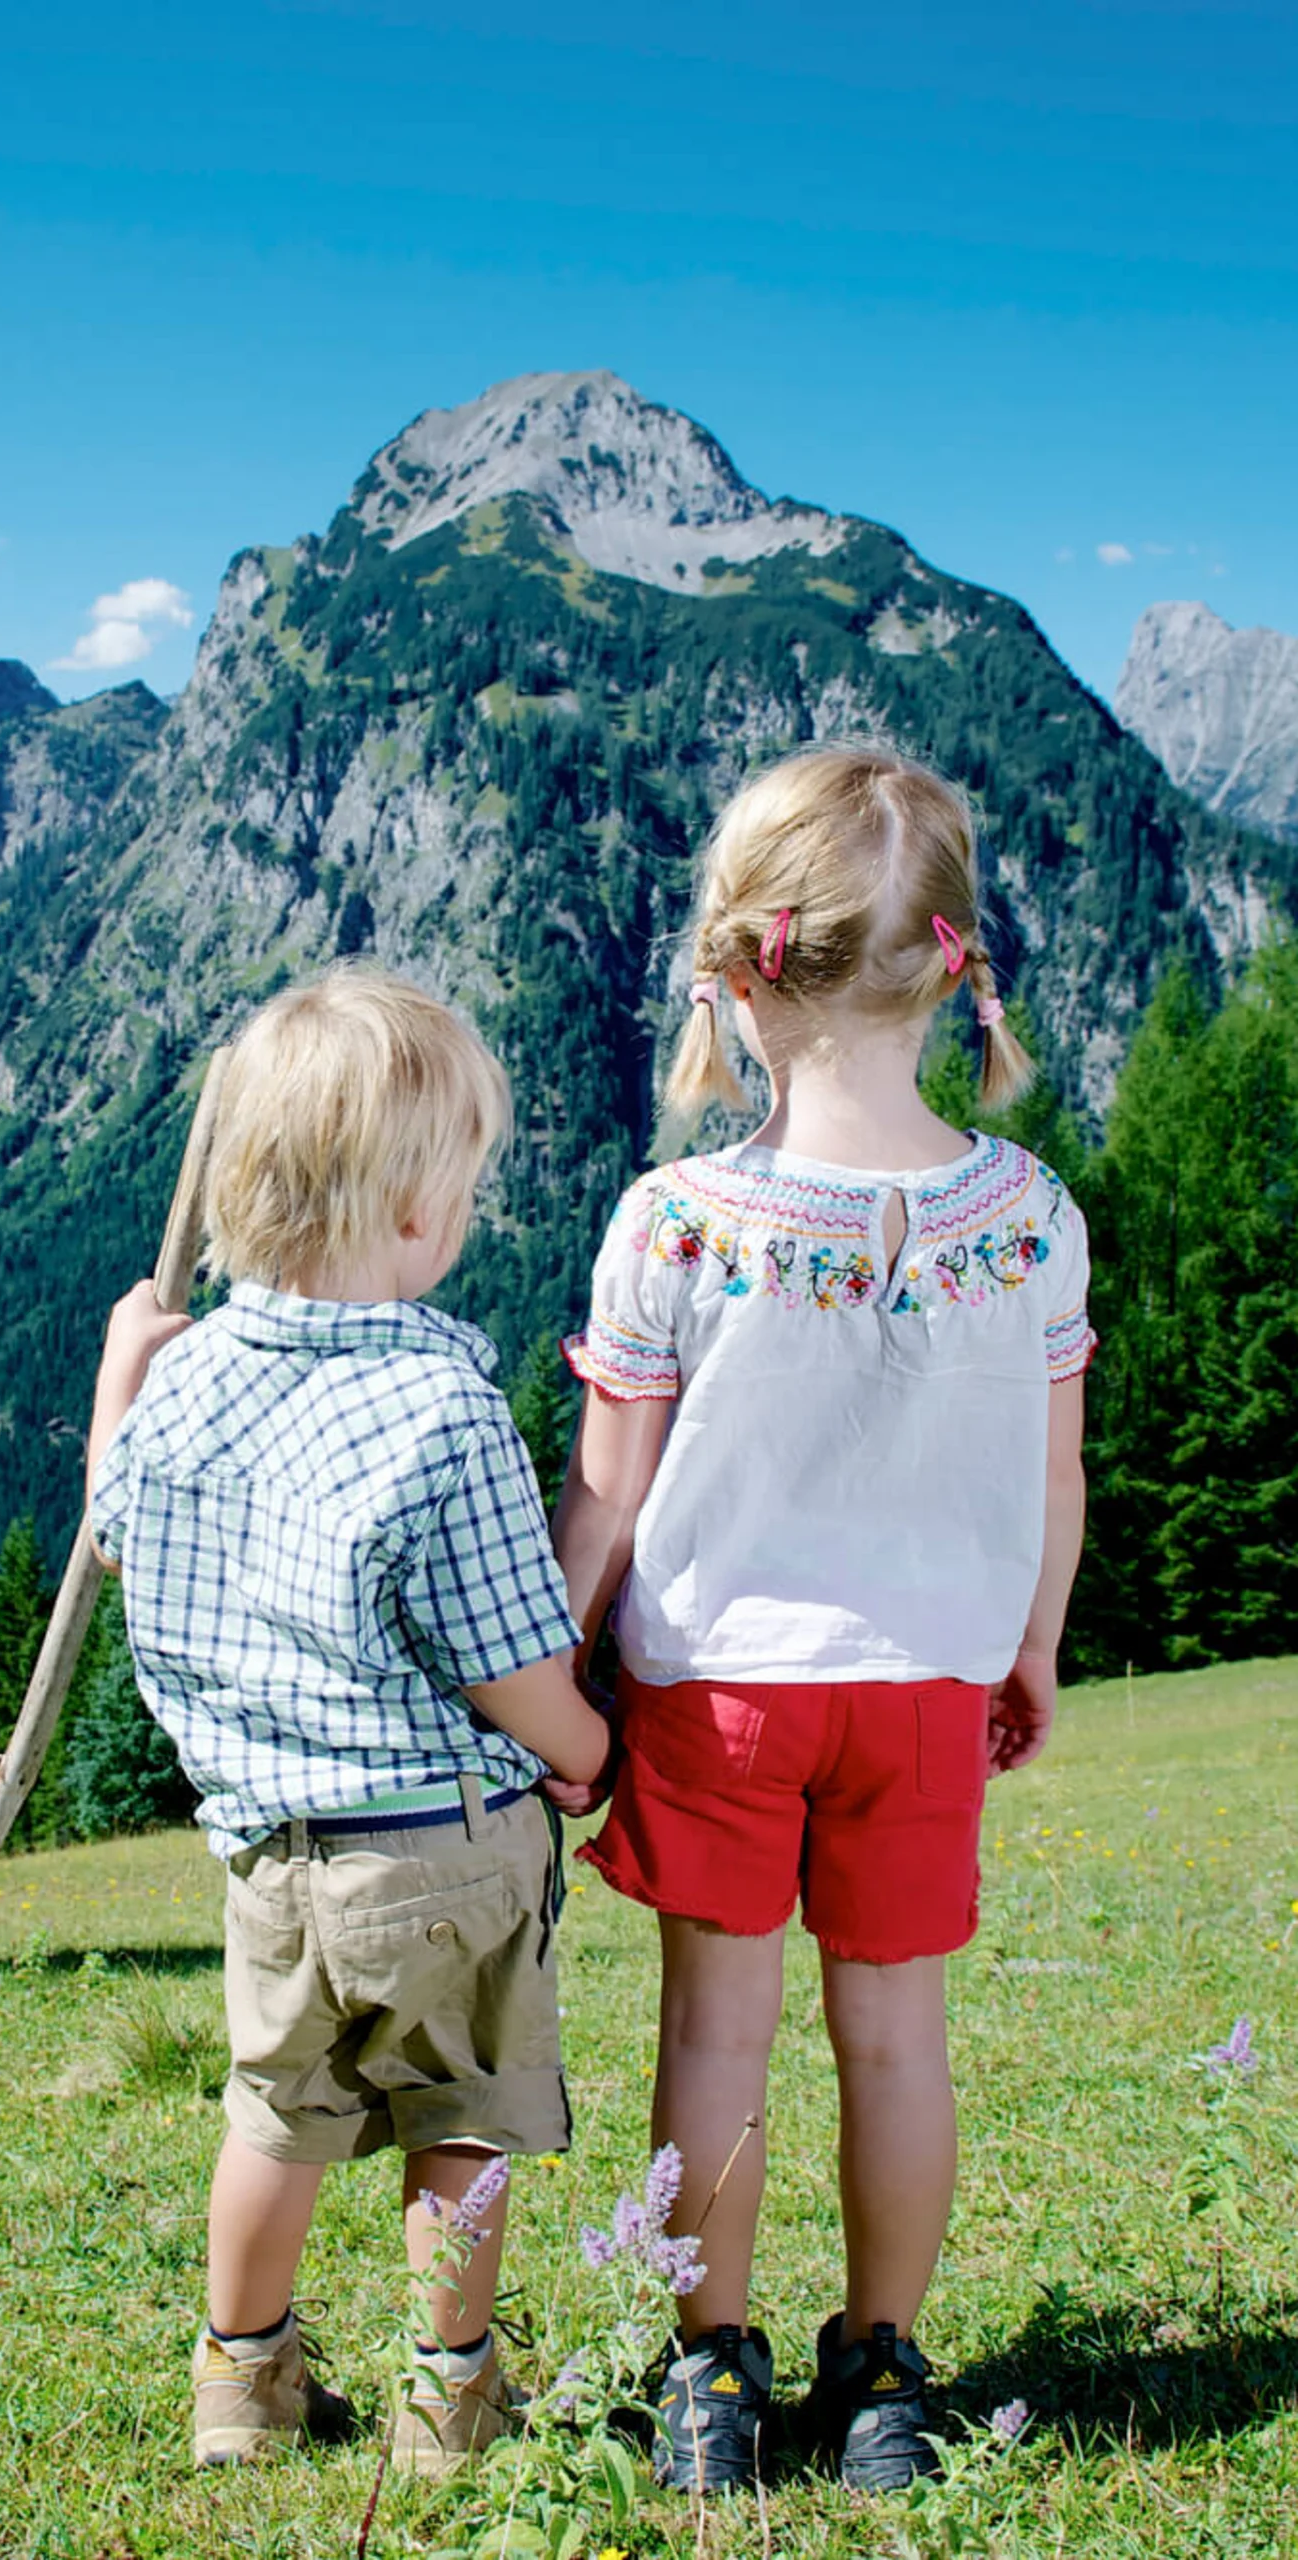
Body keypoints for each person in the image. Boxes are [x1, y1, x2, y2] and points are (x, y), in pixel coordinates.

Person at [553, 745, 1093, 2494]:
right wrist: (1030, 1643)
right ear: (954, 964)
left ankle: (709, 2373)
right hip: (926, 1687)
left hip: (719, 1698)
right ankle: (883, 2376)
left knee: (716, 2033)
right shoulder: (1029, 1217)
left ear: (738, 970)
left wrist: (558, 1662)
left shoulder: (678, 1224)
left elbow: (609, 1502)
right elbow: (1052, 1473)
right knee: (897, 2039)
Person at [86, 968, 611, 2474]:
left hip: (267, 1860)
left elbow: (117, 1532)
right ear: (405, 1213)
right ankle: (451, 2398)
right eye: (459, 1187)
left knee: (273, 2119)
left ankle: (239, 2388)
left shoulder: (182, 1393)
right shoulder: (443, 1415)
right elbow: (510, 1658)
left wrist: (123, 1379)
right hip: (438, 1845)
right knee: (460, 2122)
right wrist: (585, 1755)